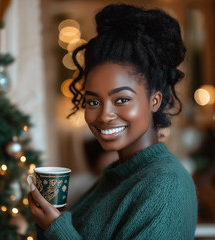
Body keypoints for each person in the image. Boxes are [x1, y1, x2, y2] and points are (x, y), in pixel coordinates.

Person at [27, 3, 198, 240]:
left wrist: (56, 228)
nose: (104, 115)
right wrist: (49, 221)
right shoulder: (114, 177)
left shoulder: (166, 185)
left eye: (122, 99)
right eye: (93, 102)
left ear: (155, 100)